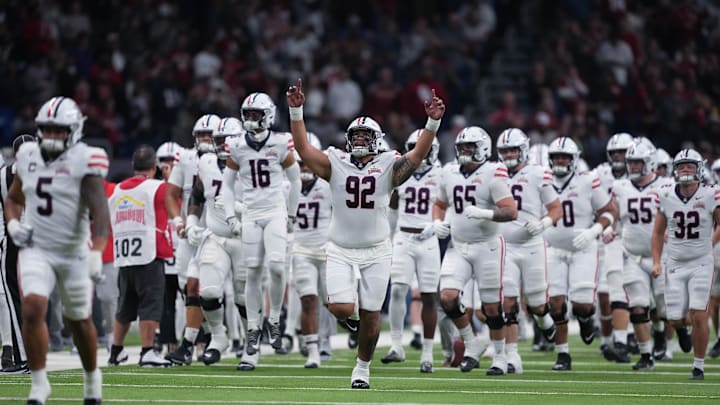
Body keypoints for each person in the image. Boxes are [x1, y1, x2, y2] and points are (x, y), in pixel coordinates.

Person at [286, 78, 445, 389]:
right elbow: (304, 149)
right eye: (355, 135)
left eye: (365, 135)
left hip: (376, 249)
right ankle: (356, 325)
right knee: (340, 307)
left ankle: (362, 369)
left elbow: (417, 157)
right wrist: (297, 112)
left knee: (373, 316)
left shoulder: (388, 163)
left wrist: (432, 122)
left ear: (376, 140)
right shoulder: (335, 162)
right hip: (340, 248)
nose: (359, 139)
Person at [5, 96, 108, 404]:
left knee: (78, 320)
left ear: (73, 130)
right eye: (47, 129)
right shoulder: (26, 155)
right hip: (37, 247)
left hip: (74, 250)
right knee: (33, 307)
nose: (51, 136)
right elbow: (13, 198)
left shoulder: (86, 158)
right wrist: (12, 224)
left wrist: (96, 252)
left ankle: (92, 379)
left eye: (58, 130)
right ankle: (39, 383)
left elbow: (100, 212)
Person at [220, 92, 300, 359]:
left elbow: (296, 180)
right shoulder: (237, 146)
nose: (251, 120)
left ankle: (275, 319)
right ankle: (254, 327)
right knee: (252, 271)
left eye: (256, 115)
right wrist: (231, 215)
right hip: (252, 213)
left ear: (268, 116)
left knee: (277, 267)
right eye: (248, 115)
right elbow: (227, 185)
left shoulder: (280, 142)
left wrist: (290, 214)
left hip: (275, 210)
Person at [433, 126, 518, 376]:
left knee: (491, 308)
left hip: (488, 246)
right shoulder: (449, 172)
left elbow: (511, 211)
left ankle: (500, 357)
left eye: (470, 147)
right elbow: (439, 203)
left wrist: (485, 213)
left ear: (482, 148)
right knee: (447, 297)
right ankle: (471, 343)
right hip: (458, 246)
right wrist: (438, 221)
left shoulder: (493, 172)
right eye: (461, 147)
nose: (464, 152)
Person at [543, 136, 618, 371]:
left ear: (574, 159)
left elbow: (609, 211)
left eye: (565, 157)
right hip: (553, 248)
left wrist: (595, 229)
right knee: (555, 304)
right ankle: (563, 354)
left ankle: (586, 320)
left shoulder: (588, 180)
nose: (560, 161)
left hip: (583, 248)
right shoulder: (542, 180)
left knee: (582, 306)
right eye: (556, 157)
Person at [496, 128, 561, 374]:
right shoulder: (494, 173)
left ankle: (546, 324)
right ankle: (512, 357)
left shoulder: (538, 173)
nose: (509, 154)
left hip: (533, 245)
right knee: (508, 302)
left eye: (513, 149)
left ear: (523, 149)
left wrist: (543, 223)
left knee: (537, 305)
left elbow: (556, 209)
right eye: (505, 151)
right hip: (506, 247)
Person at [652, 148, 720, 381]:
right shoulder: (666, 194)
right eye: (682, 166)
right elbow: (658, 232)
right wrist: (656, 261)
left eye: (690, 166)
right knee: (675, 318)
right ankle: (682, 330)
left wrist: (711, 242)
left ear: (700, 169)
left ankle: (698, 366)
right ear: (675, 170)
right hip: (675, 261)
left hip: (701, 261)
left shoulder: (711, 194)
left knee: (699, 314)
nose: (685, 170)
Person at [608, 138, 673, 371]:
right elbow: (614, 215)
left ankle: (677, 330)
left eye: (637, 163)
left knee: (667, 310)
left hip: (663, 257)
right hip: (633, 256)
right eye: (631, 163)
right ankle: (647, 356)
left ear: (650, 163)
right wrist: (608, 229)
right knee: (637, 306)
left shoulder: (666, 185)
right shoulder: (620, 187)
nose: (632, 167)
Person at [381, 129, 442, 373]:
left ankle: (427, 352)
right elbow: (393, 209)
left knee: (428, 295)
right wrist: (389, 237)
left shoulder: (442, 174)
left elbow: (447, 205)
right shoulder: (401, 173)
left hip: (428, 239)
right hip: (403, 236)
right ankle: (396, 345)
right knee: (397, 289)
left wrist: (438, 225)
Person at [107, 144, 173, 368]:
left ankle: (116, 350)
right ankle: (147, 352)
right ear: (154, 167)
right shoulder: (157, 187)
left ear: (133, 166)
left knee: (125, 306)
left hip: (124, 254)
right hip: (148, 253)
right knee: (150, 304)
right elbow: (175, 202)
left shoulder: (117, 190)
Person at [166, 114, 221, 365]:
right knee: (187, 286)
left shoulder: (232, 158)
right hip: (192, 231)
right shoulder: (186, 159)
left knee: (224, 291)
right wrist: (180, 221)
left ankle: (233, 338)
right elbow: (172, 194)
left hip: (221, 232)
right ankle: (200, 338)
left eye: (211, 135)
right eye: (202, 135)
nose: (207, 140)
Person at [290, 140, 333, 368]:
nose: (304, 168)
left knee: (334, 303)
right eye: (301, 164)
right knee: (308, 300)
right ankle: (313, 351)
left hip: (326, 249)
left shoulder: (328, 186)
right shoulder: (287, 186)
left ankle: (352, 328)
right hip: (301, 250)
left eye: (308, 164)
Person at [595, 132, 634, 360]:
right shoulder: (600, 173)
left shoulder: (641, 175)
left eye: (623, 152)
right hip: (606, 237)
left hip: (632, 237)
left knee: (632, 289)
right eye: (615, 152)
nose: (618, 156)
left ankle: (628, 335)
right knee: (604, 294)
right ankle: (609, 340)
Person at [0, 134, 35, 374]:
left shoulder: (5, 173)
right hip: (42, 239)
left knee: (10, 295)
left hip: (13, 236)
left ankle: (22, 355)